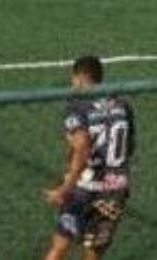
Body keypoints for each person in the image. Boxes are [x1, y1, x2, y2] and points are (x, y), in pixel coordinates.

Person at [42, 56, 136, 260]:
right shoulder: (122, 104)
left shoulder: (78, 106)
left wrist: (65, 187)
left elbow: (81, 146)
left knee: (60, 246)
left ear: (78, 77)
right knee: (93, 253)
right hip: (114, 190)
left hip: (83, 188)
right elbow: (129, 145)